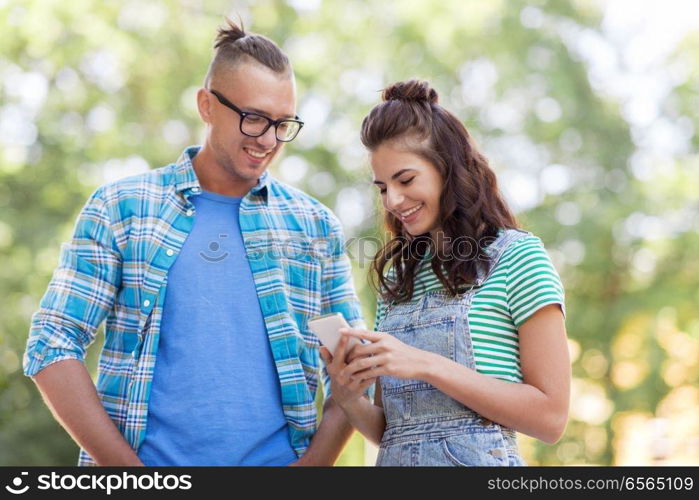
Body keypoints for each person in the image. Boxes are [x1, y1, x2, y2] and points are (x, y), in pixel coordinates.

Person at [23, 19, 363, 466]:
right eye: (254, 118)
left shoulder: (314, 227)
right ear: (206, 105)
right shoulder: (123, 207)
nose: (268, 139)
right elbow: (52, 340)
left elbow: (352, 369)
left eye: (283, 124)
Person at [320, 79, 570, 466]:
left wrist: (426, 364)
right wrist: (349, 395)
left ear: (447, 169)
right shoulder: (397, 283)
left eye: (405, 180)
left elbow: (551, 418)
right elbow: (394, 433)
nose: (394, 200)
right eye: (383, 187)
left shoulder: (519, 259)